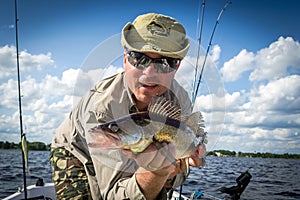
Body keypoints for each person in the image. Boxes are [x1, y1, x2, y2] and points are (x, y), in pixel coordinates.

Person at [50, 12, 206, 200]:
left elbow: (183, 161)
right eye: (139, 58)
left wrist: (175, 169)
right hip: (77, 153)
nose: (149, 73)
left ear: (177, 67)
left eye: (165, 62)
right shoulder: (101, 107)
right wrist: (156, 173)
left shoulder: (179, 99)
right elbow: (114, 194)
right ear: (125, 60)